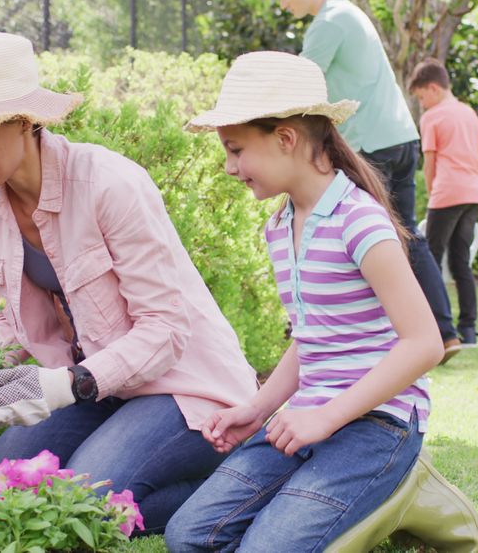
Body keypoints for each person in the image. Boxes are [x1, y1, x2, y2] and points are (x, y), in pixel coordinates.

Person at [0, 32, 259, 533]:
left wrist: (68, 384)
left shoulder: (110, 185)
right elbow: (14, 321)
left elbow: (166, 330)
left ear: (22, 122)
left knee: (78, 500)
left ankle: (236, 482)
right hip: (92, 386)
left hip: (184, 387)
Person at [165, 51, 443, 551]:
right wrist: (257, 408)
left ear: (286, 138)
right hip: (307, 420)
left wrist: (326, 416)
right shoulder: (278, 227)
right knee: (189, 537)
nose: (230, 167)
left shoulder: (359, 222)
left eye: (235, 150)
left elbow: (425, 344)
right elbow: (313, 336)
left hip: (379, 424)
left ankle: (405, 490)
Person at [274, 0, 463, 361]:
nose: (282, 3)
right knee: (406, 233)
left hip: (373, 145)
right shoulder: (353, 14)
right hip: (402, 137)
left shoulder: (329, 22)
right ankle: (445, 332)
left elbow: (297, 88)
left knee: (364, 236)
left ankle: (382, 330)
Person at [410, 58, 478, 345]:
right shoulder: (470, 114)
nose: (422, 104)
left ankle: (434, 328)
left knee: (428, 259)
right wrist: (477, 190)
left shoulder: (432, 117)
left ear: (433, 88)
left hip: (447, 194)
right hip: (473, 195)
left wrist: (433, 193)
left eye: (421, 97)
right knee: (461, 263)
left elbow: (429, 163)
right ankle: (468, 329)